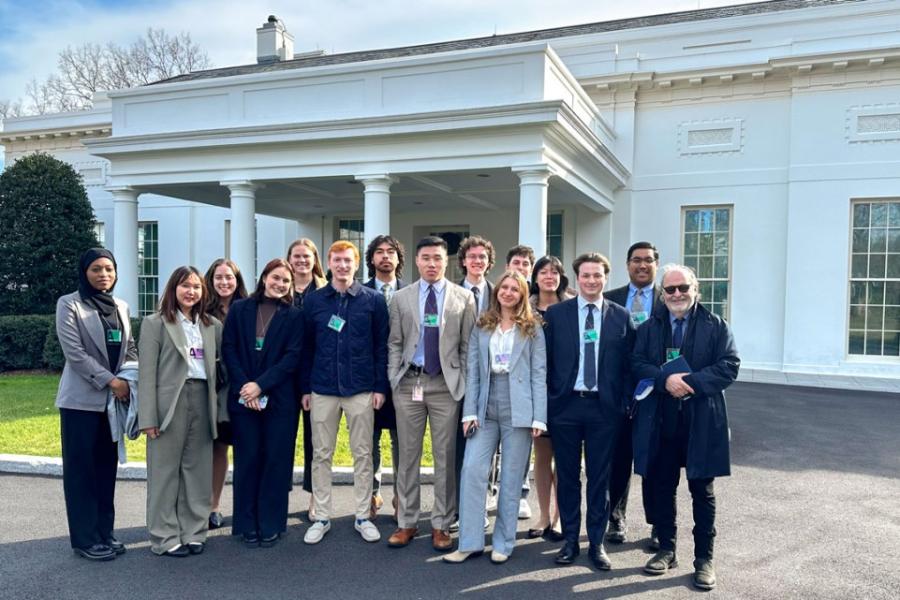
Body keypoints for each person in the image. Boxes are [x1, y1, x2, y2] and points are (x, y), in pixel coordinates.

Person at [632, 264, 740, 591]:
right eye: (670, 290)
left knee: (701, 492)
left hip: (701, 421)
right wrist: (666, 380)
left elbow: (729, 366)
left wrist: (688, 382)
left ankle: (704, 559)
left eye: (683, 288)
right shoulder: (650, 328)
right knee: (663, 487)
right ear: (662, 295)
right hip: (662, 420)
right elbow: (636, 363)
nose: (677, 294)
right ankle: (666, 549)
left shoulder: (717, 326)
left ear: (696, 289)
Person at [443, 271, 546, 565]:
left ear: (523, 294)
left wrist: (539, 417)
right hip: (486, 406)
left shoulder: (533, 328)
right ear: (497, 291)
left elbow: (539, 374)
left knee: (512, 478)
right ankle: (470, 542)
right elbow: (473, 371)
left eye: (515, 289)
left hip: (520, 409)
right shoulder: (483, 325)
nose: (509, 292)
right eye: (505, 288)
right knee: (473, 470)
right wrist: (470, 411)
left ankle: (503, 542)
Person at [543, 252, 634, 571]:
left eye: (597, 275)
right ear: (577, 278)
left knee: (599, 478)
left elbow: (629, 366)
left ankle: (595, 543)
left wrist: (621, 401)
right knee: (567, 476)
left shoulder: (621, 316)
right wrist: (551, 399)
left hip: (604, 410)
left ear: (605, 278)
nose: (592, 281)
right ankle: (569, 540)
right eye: (586, 275)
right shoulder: (556, 314)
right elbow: (546, 362)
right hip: (566, 407)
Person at [386, 236, 476, 551]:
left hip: (445, 387)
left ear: (446, 260)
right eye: (426, 258)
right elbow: (395, 341)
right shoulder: (401, 297)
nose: (432, 264)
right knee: (408, 456)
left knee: (445, 457)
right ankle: (406, 522)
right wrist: (394, 376)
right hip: (409, 383)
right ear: (417, 261)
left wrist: (462, 383)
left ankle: (441, 524)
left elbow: (468, 346)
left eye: (437, 258)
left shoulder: (463, 298)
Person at [300, 241, 390, 544]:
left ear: (356, 264)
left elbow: (381, 346)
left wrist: (380, 387)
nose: (342, 266)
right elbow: (306, 348)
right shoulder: (314, 302)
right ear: (328, 262)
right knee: (321, 454)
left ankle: (363, 514)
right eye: (337, 260)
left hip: (361, 388)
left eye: (347, 261)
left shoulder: (373, 300)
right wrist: (305, 388)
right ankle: (322, 515)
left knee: (363, 454)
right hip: (323, 388)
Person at [55, 248, 137, 561]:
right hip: (80, 402)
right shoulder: (70, 304)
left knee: (106, 469)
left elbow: (130, 348)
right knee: (81, 471)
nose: (103, 275)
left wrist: (129, 379)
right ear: (84, 272)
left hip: (113, 402)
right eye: (96, 269)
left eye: (109, 269)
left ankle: (105, 532)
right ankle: (85, 539)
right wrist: (111, 381)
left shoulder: (121, 306)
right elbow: (74, 353)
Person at [139, 266, 222, 557]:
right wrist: (148, 417)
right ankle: (164, 536)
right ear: (173, 288)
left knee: (197, 469)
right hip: (168, 404)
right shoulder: (155, 324)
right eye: (185, 286)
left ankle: (194, 531)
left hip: (202, 398)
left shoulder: (212, 325)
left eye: (197, 287)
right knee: (164, 472)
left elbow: (220, 370)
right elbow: (146, 374)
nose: (191, 292)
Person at [222, 258, 304, 547]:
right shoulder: (239, 308)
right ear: (264, 277)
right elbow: (229, 349)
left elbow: (292, 358)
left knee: (276, 461)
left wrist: (261, 385)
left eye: (286, 281)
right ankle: (247, 523)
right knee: (248, 460)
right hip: (244, 399)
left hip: (280, 400)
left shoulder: (294, 316)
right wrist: (247, 388)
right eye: (276, 278)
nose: (280, 284)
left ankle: (271, 523)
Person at [603, 241, 665, 547]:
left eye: (648, 260)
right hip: (617, 393)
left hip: (656, 393)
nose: (642, 265)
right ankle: (616, 519)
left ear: (656, 264)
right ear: (627, 264)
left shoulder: (668, 299)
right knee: (618, 458)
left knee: (654, 460)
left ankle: (657, 524)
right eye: (636, 260)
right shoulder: (610, 298)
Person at [525, 255, 574, 541]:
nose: (549, 276)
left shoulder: (572, 304)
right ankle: (543, 514)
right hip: (536, 392)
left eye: (555, 272)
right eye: (543, 272)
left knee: (565, 459)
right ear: (536, 276)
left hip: (568, 392)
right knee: (542, 457)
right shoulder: (525, 306)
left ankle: (559, 517)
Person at [363, 235, 406, 522]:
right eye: (379, 252)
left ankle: (401, 498)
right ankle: (371, 495)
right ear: (371, 259)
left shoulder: (411, 292)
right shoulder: (359, 292)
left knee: (402, 440)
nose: (385, 257)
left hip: (404, 378)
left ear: (399, 259)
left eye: (391, 252)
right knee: (370, 440)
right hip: (368, 378)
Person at [204, 258, 248, 531]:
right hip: (211, 389)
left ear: (237, 280)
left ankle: (245, 507)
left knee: (244, 446)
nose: (224, 282)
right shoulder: (200, 311)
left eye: (229, 277)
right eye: (218, 277)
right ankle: (212, 506)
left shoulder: (248, 308)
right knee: (216, 447)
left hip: (242, 386)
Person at [286, 238, 327, 520]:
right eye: (296, 256)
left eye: (307, 256)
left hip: (317, 375)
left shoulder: (326, 291)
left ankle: (316, 498)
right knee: (284, 439)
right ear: (289, 259)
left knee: (317, 442)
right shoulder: (278, 287)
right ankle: (279, 497)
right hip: (284, 376)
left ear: (315, 260)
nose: (301, 261)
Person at [503, 243, 536, 519]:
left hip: (525, 385)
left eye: (526, 264)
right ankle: (494, 490)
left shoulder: (533, 305)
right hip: (496, 385)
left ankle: (522, 492)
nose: (521, 267)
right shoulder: (499, 294)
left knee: (520, 445)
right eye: (517, 262)